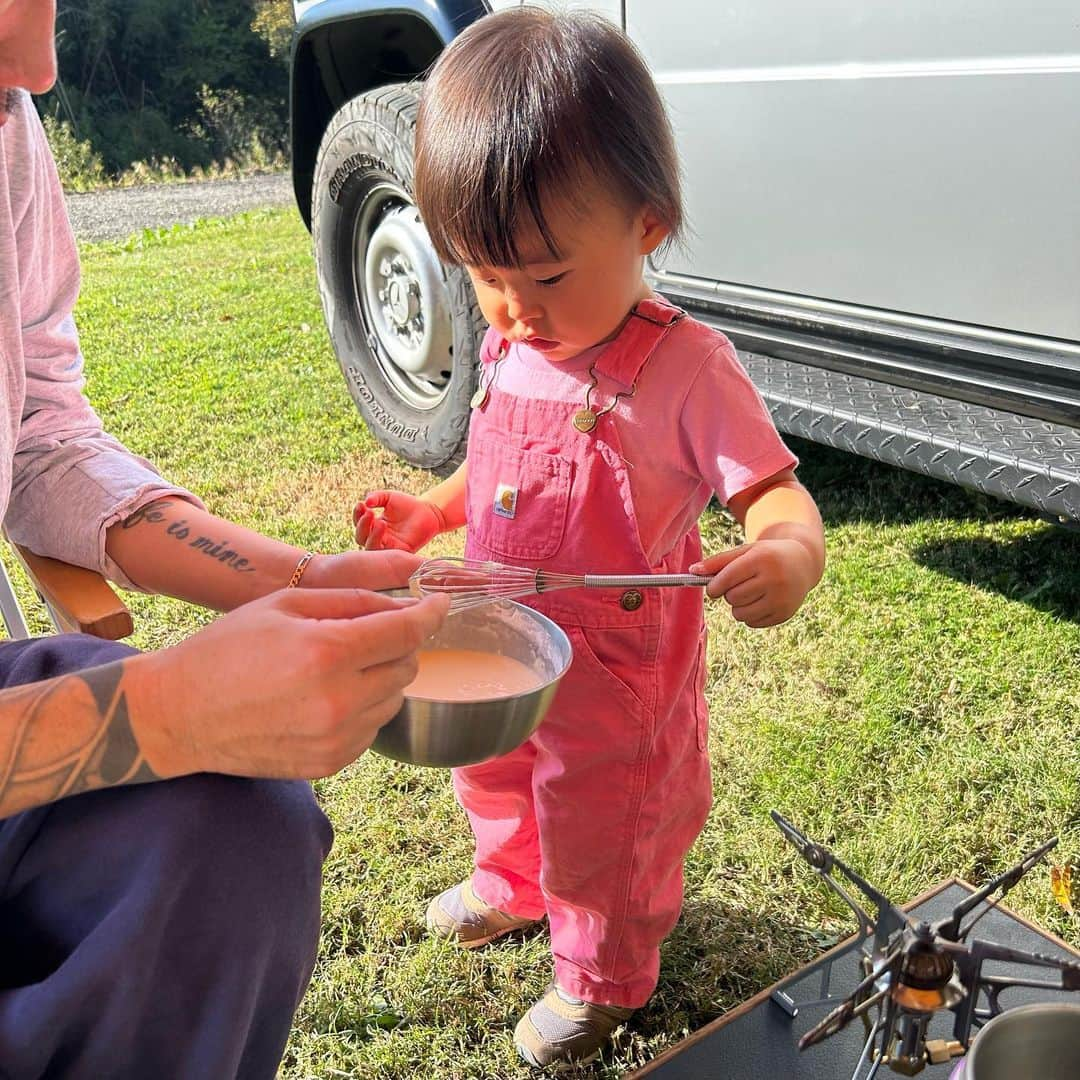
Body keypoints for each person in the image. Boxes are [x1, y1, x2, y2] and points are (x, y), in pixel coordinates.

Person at [352, 7, 826, 1069]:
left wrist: (787, 556)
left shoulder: (688, 370)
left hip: (619, 679)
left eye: (545, 276)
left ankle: (602, 975)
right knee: (499, 772)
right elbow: (502, 461)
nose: (513, 310)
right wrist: (439, 513)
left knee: (603, 826)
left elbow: (778, 500)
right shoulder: (519, 344)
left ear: (646, 224)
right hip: (502, 641)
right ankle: (512, 882)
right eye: (484, 275)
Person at [0, 2, 449, 1077]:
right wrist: (156, 709)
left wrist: (292, 578)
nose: (38, 67)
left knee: (240, 828)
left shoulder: (9, 123)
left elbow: (40, 435)